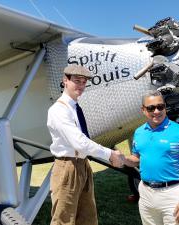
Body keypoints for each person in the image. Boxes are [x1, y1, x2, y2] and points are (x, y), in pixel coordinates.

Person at [47, 64, 124, 225]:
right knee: (63, 220)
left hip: (82, 164)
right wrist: (109, 154)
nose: (81, 85)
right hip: (67, 167)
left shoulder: (74, 107)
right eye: (77, 81)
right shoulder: (58, 110)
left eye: (84, 82)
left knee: (88, 219)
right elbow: (79, 142)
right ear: (65, 81)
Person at [124, 90, 179, 225]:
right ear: (143, 110)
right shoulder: (139, 132)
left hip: (173, 193)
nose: (157, 111)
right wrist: (123, 159)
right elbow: (136, 159)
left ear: (165, 107)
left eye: (160, 106)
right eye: (151, 108)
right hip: (146, 193)